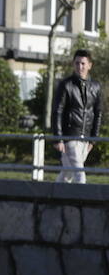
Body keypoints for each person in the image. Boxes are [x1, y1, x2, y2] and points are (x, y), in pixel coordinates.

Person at [52, 48, 103, 184]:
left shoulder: (96, 87)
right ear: (73, 64)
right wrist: (58, 138)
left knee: (67, 174)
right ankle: (82, 202)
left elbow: (98, 113)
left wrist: (93, 139)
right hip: (70, 136)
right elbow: (57, 111)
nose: (80, 67)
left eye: (83, 63)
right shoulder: (66, 85)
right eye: (77, 63)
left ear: (89, 65)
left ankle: (50, 201)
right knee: (80, 175)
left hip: (85, 137)